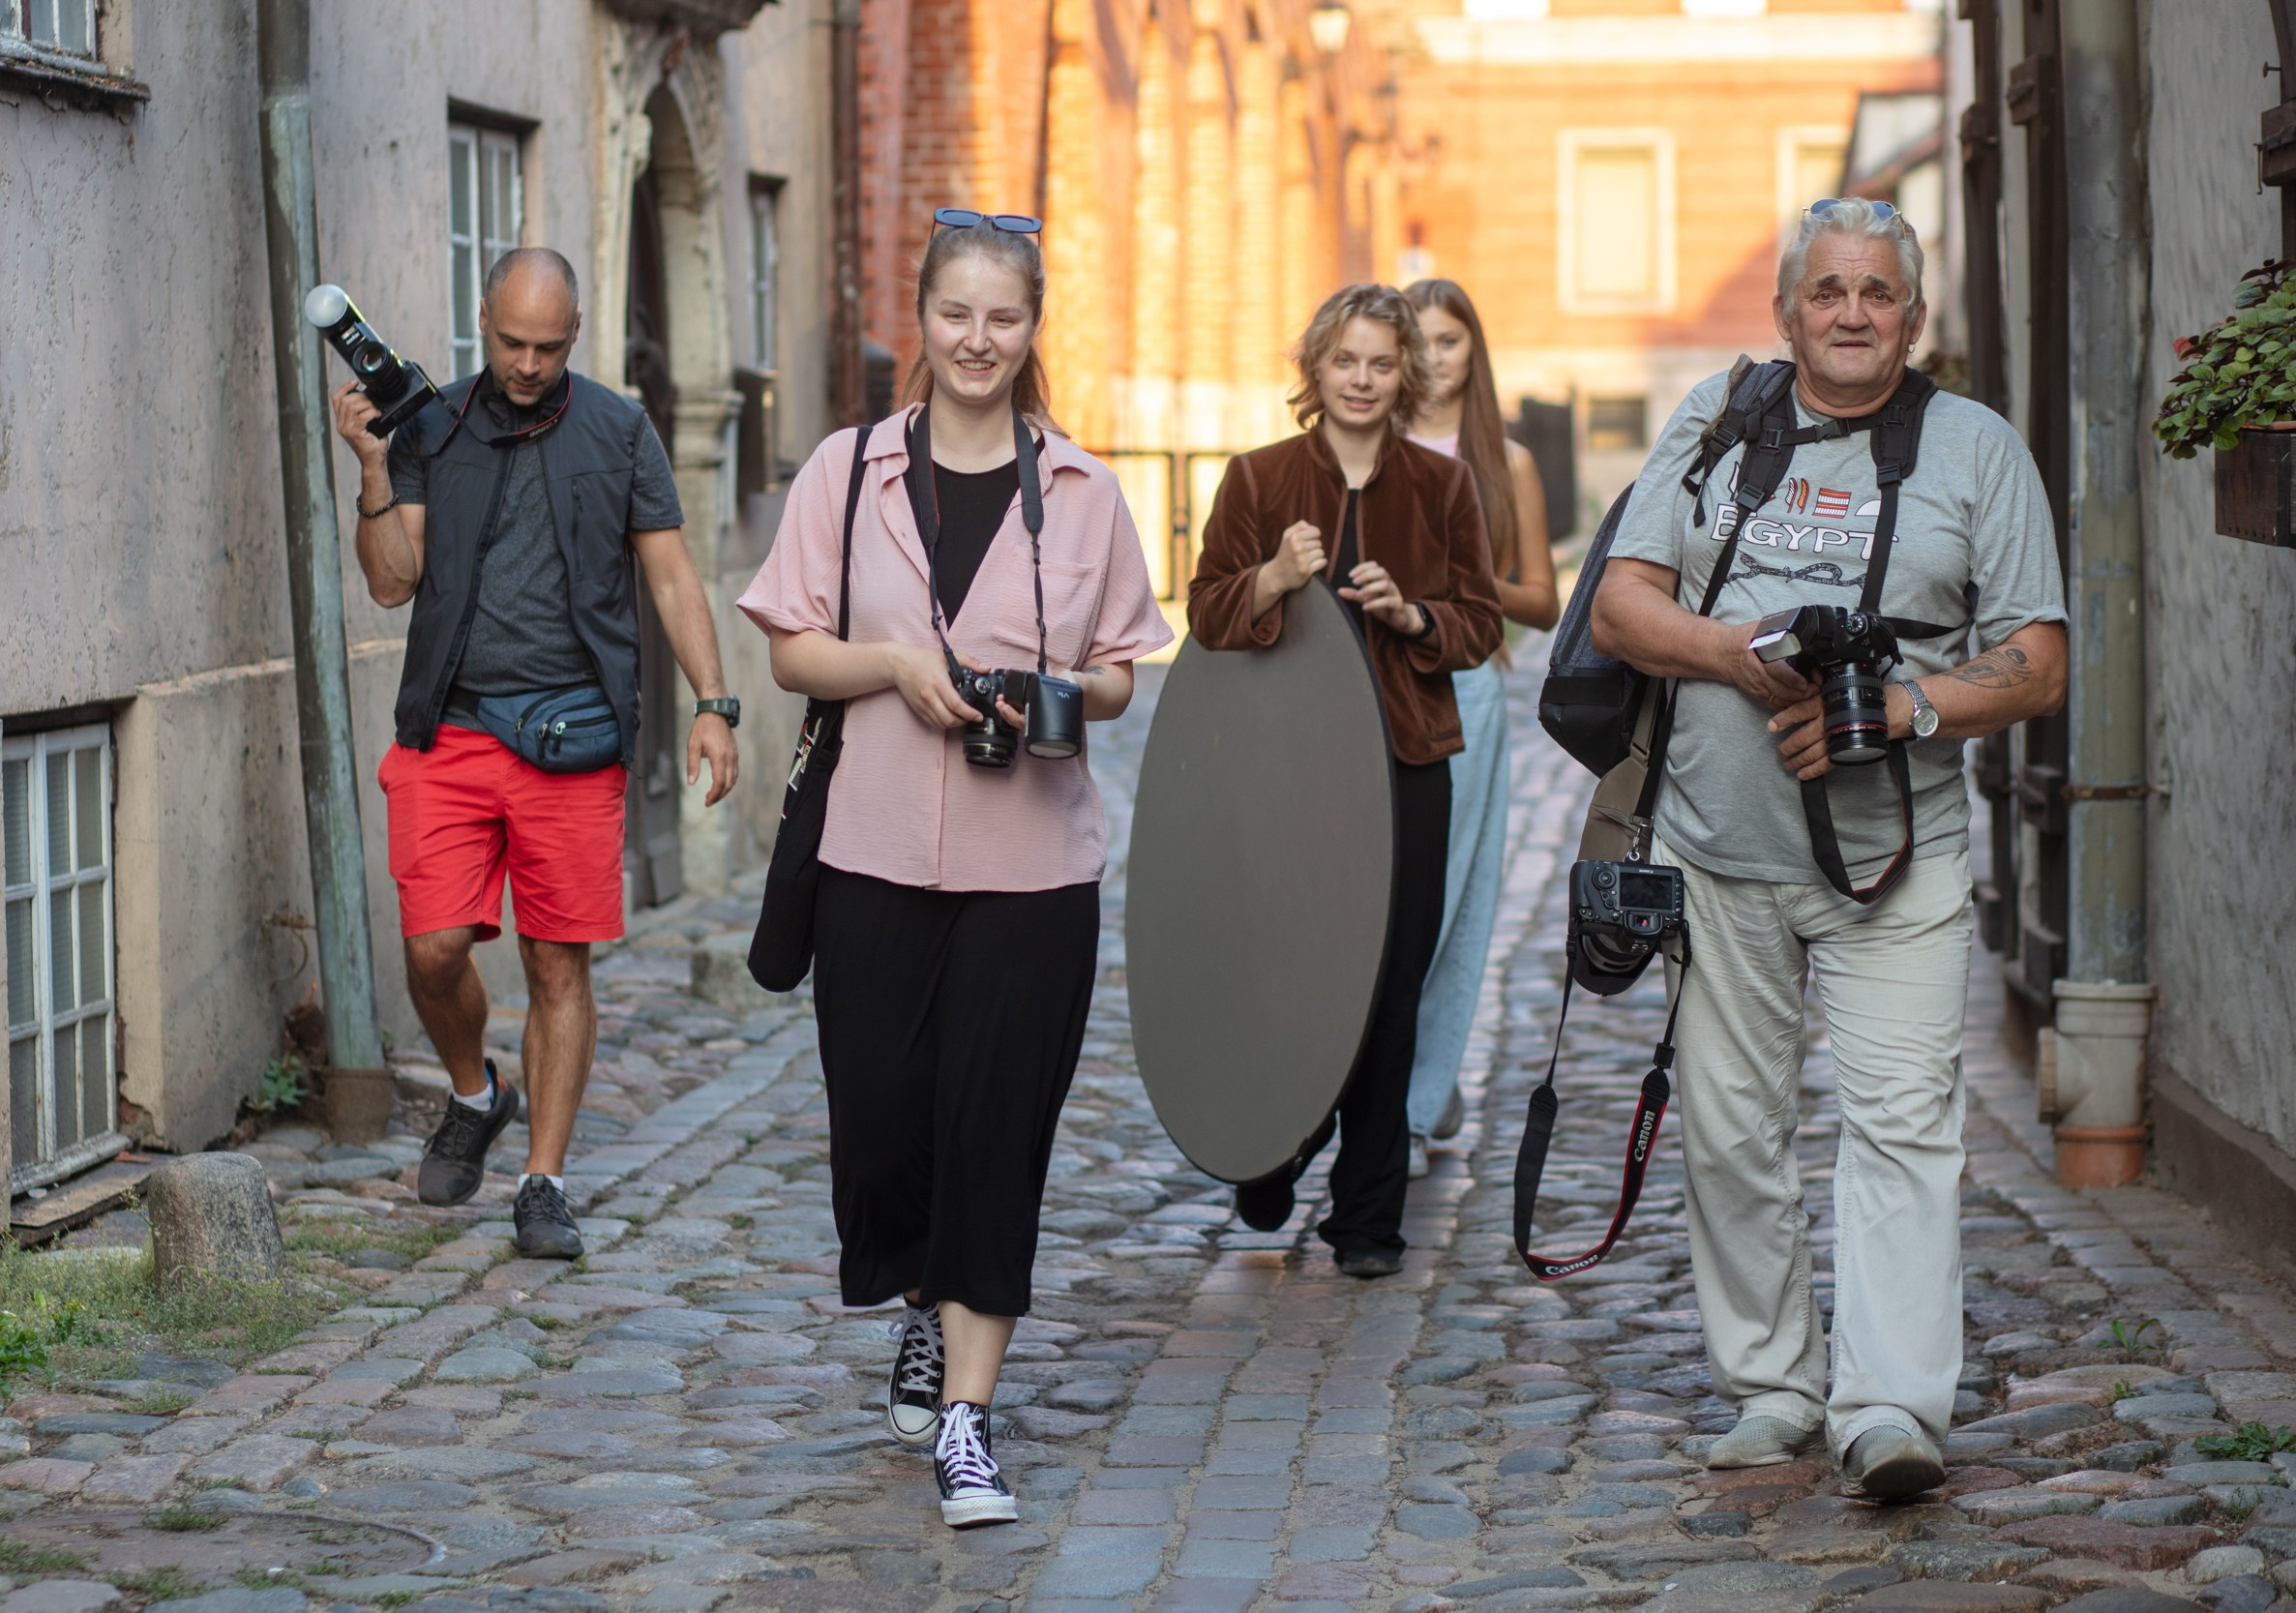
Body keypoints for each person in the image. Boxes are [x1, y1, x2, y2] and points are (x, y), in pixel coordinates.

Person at [1592, 197, 2067, 1497]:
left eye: (1878, 293)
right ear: (1788, 309)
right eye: (1829, 291)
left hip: (1894, 861)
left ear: (1914, 319)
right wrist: (1741, 658)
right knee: (1730, 1128)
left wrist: (1908, 707)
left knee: (1905, 1125)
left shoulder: (1976, 450)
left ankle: (1892, 1408)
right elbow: (1628, 604)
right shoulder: (1716, 419)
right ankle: (1769, 1386)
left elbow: (2036, 658)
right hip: (1712, 845)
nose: (1853, 313)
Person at [738, 213, 1171, 1528]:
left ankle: (970, 1418)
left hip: (1030, 866)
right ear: (920, 317)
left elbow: (1117, 669)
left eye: (1005, 317)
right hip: (869, 849)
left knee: (997, 1133)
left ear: (1035, 328)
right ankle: (919, 1292)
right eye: (957, 314)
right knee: (882, 1123)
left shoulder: (1087, 490)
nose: (979, 340)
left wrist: (1056, 692)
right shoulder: (848, 467)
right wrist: (898, 670)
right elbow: (792, 650)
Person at [334, 247, 739, 1262]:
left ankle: (543, 1180)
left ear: (576, 332)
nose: (525, 362)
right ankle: (478, 1092)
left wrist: (714, 703)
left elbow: (674, 577)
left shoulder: (619, 429)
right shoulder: (433, 423)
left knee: (559, 962)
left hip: (572, 735)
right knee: (432, 947)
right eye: (511, 341)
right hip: (454, 727)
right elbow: (391, 583)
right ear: (485, 320)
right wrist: (376, 467)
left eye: (547, 346)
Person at [1189, 283, 1504, 1279]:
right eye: (1344, 361)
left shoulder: (1441, 486)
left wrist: (1414, 618)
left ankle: (1367, 1217)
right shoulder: (1256, 479)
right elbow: (1204, 616)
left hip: (1409, 764)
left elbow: (1483, 624)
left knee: (1389, 987)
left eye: (1379, 362)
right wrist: (1274, 579)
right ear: (1314, 369)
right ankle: (1278, 1143)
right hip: (1288, 774)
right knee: (1292, 971)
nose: (1361, 380)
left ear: (1402, 373)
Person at [1399, 279, 1560, 1179]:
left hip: (1467, 689)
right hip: (1370, 694)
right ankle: (1419, 1074)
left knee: (1450, 899)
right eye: (1416, 340)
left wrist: (1456, 580)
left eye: (1449, 340)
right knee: (1380, 899)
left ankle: (1417, 1106)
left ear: (1474, 351)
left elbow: (1543, 600)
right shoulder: (1366, 447)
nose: (1433, 357)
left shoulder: (1507, 462)